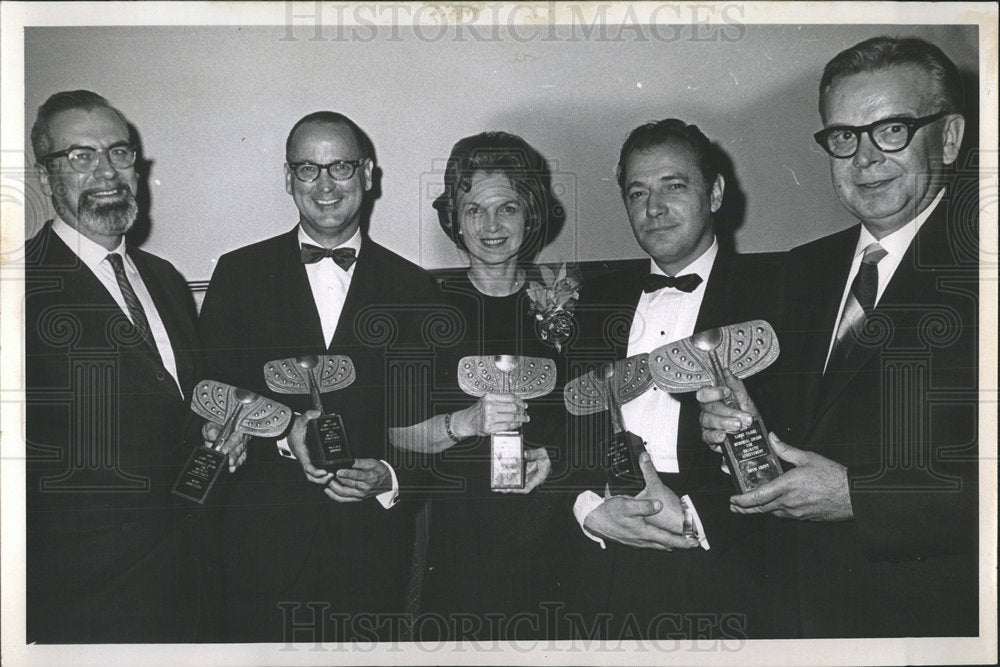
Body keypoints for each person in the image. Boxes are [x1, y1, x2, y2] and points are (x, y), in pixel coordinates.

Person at [698, 36, 978, 637]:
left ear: (949, 137)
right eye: (844, 137)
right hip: (788, 616)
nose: (865, 159)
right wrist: (743, 429)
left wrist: (860, 496)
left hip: (929, 624)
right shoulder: (799, 270)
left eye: (892, 130)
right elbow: (795, 441)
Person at [198, 111, 442, 642]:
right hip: (259, 552)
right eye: (308, 169)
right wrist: (283, 434)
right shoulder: (237, 275)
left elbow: (429, 431)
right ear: (288, 179)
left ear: (368, 174)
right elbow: (209, 398)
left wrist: (391, 477)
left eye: (341, 167)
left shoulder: (415, 289)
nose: (326, 185)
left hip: (371, 557)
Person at [24, 90, 241, 642]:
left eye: (119, 153)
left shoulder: (165, 277)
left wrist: (217, 434)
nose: (106, 172)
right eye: (80, 156)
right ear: (46, 178)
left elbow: (177, 405)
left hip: (194, 577)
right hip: (81, 596)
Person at [561, 118, 789, 639]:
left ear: (715, 193)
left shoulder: (777, 292)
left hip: (724, 554)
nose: (653, 208)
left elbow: (800, 428)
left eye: (673, 185)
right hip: (604, 553)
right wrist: (587, 507)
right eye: (637, 192)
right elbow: (562, 421)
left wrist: (697, 518)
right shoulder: (595, 300)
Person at [388, 131, 574, 640]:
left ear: (530, 214)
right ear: (455, 219)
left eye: (508, 208)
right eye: (474, 210)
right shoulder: (427, 311)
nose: (491, 226)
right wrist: (465, 422)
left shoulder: (566, 307)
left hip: (555, 538)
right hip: (459, 547)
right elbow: (394, 433)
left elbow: (592, 420)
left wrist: (559, 457)